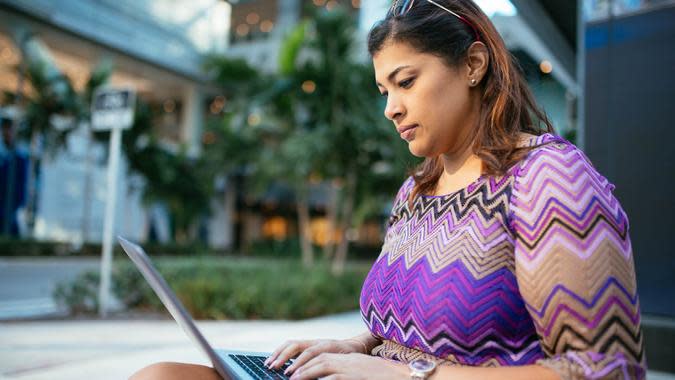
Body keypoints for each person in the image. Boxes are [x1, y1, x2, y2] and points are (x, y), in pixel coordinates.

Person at [130, 0, 645, 379]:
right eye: (384, 90)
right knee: (161, 377)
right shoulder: (415, 192)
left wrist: (406, 375)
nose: (390, 108)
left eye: (406, 81)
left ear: (473, 65)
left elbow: (606, 369)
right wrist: (351, 347)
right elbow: (407, 330)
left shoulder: (546, 178)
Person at [0, 116, 29, 237]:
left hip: (11, 206)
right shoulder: (3, 154)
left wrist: (20, 204)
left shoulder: (20, 156)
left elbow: (22, 183)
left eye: (9, 129)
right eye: (4, 130)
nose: (7, 133)